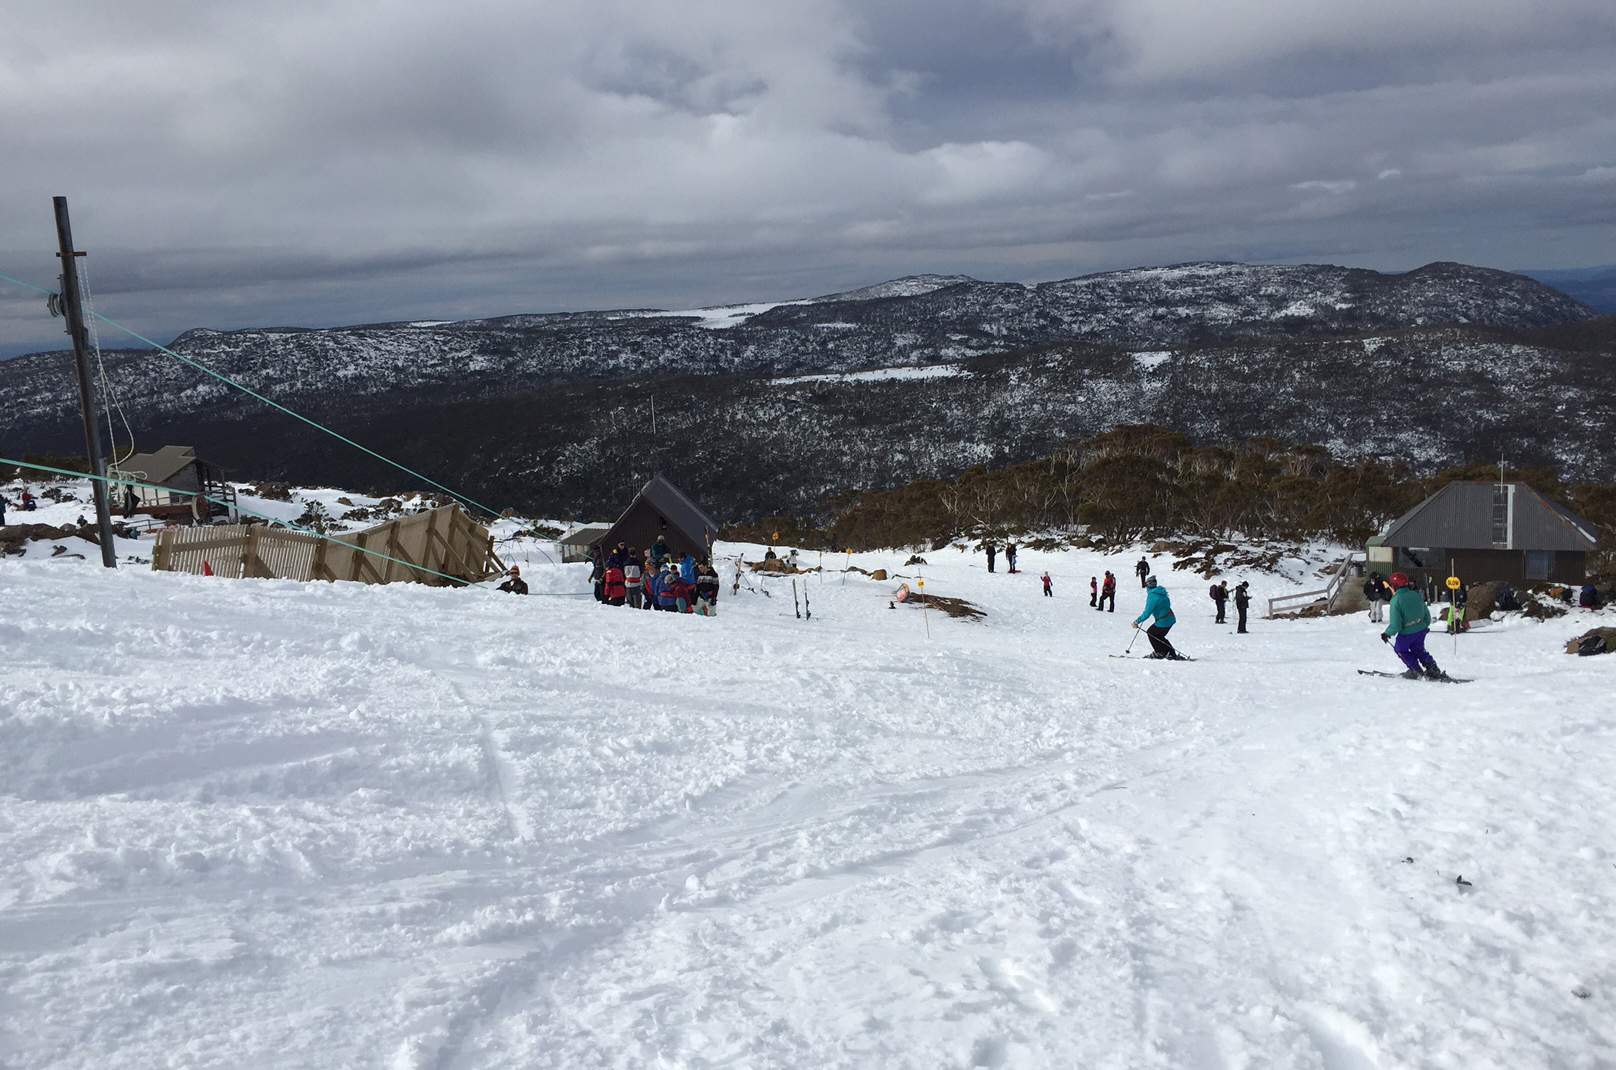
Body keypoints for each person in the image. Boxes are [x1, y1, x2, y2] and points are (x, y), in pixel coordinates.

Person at [1382, 572, 1444, 679]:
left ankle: (1416, 670)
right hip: (1421, 630)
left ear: (1395, 586)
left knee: (1400, 649)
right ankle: (1432, 668)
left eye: (1391, 585)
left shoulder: (1396, 600)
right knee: (1418, 649)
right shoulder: (1415, 595)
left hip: (1406, 633)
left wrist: (1387, 633)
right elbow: (1427, 615)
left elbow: (1396, 624)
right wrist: (1423, 625)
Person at [1133, 575, 1182, 659]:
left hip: (1164, 620)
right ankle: (1171, 653)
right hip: (1170, 618)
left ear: (1148, 585)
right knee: (1159, 636)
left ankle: (1160, 653)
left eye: (1146, 584)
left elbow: (1147, 613)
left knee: (1151, 633)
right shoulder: (1161, 592)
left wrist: (1137, 622)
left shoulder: (1153, 596)